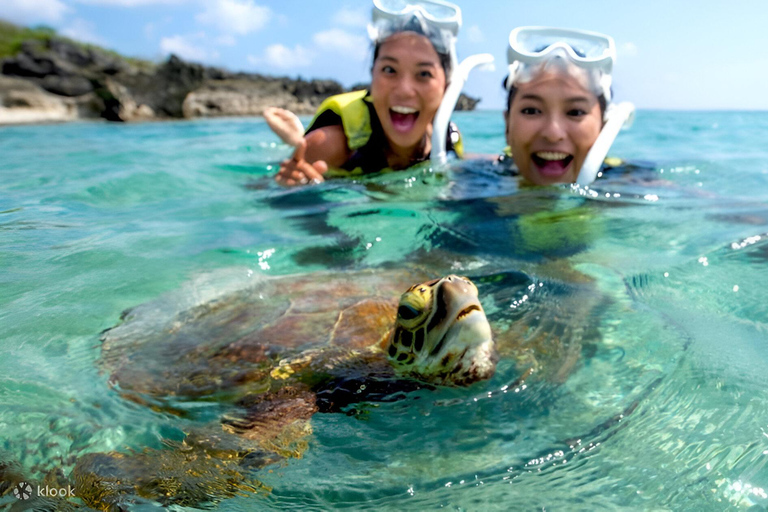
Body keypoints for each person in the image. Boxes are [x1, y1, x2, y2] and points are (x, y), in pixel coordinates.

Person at [271, 0, 465, 186]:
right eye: (389, 70)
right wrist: (298, 191)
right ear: (372, 75)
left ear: (447, 87)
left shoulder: (446, 139)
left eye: (424, 74)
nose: (405, 91)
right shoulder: (329, 145)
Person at [499, 26, 633, 186]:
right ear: (508, 125)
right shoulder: (486, 175)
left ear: (603, 129)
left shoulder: (631, 183)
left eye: (575, 112)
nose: (553, 134)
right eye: (531, 111)